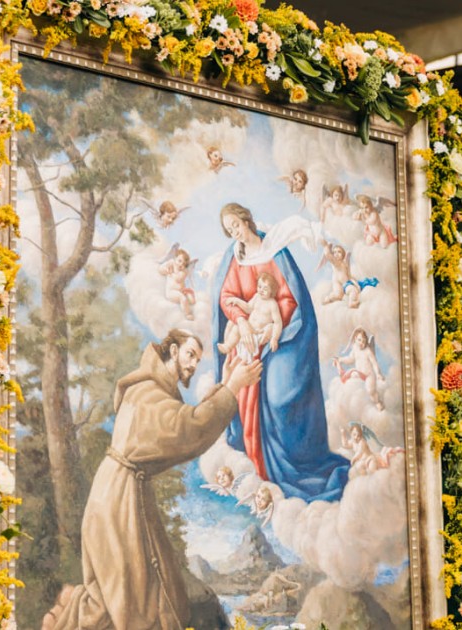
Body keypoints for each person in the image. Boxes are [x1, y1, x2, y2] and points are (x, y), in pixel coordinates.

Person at [45, 329, 262, 629]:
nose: (193, 365)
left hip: (122, 494)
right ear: (172, 351)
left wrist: (225, 385)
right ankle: (64, 618)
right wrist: (232, 388)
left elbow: (183, 422)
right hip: (117, 503)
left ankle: (67, 612)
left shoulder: (152, 392)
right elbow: (189, 429)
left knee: (130, 591)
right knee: (130, 595)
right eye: (189, 355)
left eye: (197, 360)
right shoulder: (147, 394)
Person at [214, 202, 350, 502]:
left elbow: (291, 299)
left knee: (279, 396)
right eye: (229, 229)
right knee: (239, 377)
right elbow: (227, 297)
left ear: (246, 219)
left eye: (235, 224)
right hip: (249, 336)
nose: (234, 232)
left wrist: (270, 330)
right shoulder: (236, 257)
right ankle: (256, 467)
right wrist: (242, 322)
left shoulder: (274, 250)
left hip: (285, 337)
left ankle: (296, 462)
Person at [217, 273, 284, 357]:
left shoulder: (272, 304)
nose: (261, 290)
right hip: (250, 327)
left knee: (237, 328)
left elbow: (278, 323)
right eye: (259, 286)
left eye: (265, 289)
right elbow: (248, 308)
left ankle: (229, 347)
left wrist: (274, 338)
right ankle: (227, 346)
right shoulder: (257, 297)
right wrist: (237, 301)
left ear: (272, 291)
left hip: (259, 331)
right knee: (233, 325)